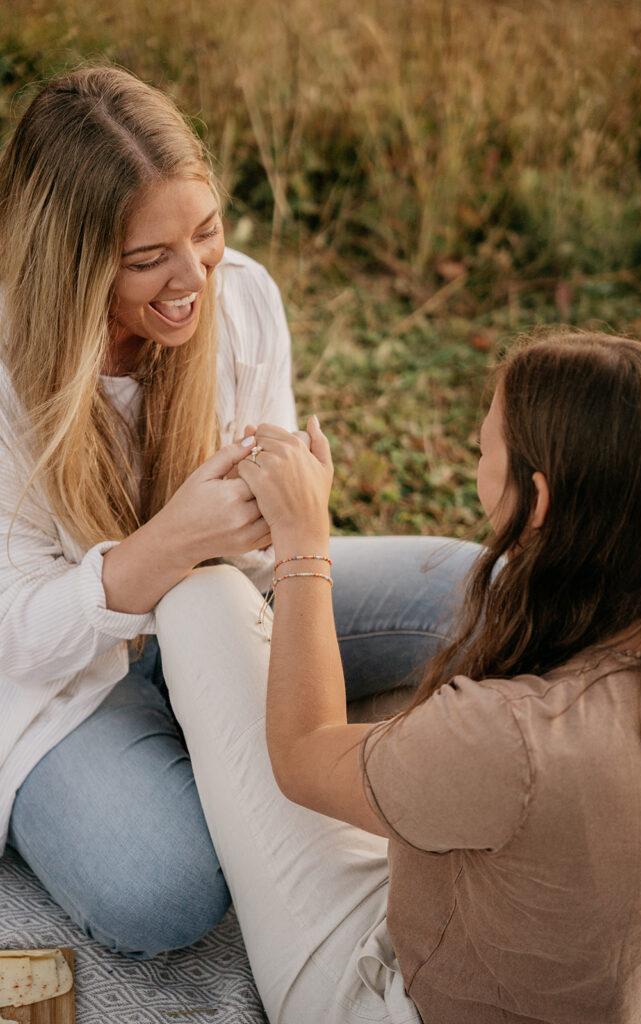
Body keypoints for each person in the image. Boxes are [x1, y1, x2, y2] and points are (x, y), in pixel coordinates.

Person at [0, 65, 481, 958]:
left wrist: (288, 509)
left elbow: (255, 569)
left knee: (477, 588)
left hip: (222, 606)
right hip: (64, 683)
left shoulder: (244, 298)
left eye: (207, 231)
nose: (195, 276)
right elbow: (17, 637)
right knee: (163, 888)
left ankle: (211, 738)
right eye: (148, 258)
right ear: (70, 261)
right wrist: (173, 540)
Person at [154, 333, 641, 1023]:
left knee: (203, 602)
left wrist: (303, 542)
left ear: (538, 499)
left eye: (482, 448)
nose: (474, 457)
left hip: (395, 999)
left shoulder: (511, 735)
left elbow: (302, 756)